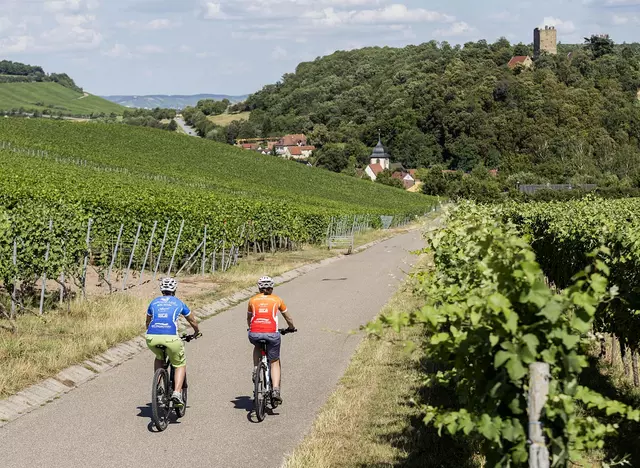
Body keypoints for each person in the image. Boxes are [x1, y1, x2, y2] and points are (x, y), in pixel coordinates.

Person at [146, 277, 200, 408]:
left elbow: (147, 322)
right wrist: (196, 331)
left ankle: (158, 386)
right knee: (180, 364)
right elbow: (191, 320)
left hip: (152, 337)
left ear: (161, 290)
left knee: (159, 357)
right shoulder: (179, 303)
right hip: (171, 338)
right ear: (174, 289)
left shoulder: (154, 302)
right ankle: (176, 393)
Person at [247, 276, 295, 405]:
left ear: (259, 288)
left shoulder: (252, 300)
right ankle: (275, 390)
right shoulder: (277, 300)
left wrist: (251, 327)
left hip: (254, 333)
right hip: (272, 334)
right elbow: (288, 317)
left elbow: (249, 318)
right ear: (272, 288)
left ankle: (256, 368)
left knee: (257, 345)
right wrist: (291, 328)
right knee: (274, 361)